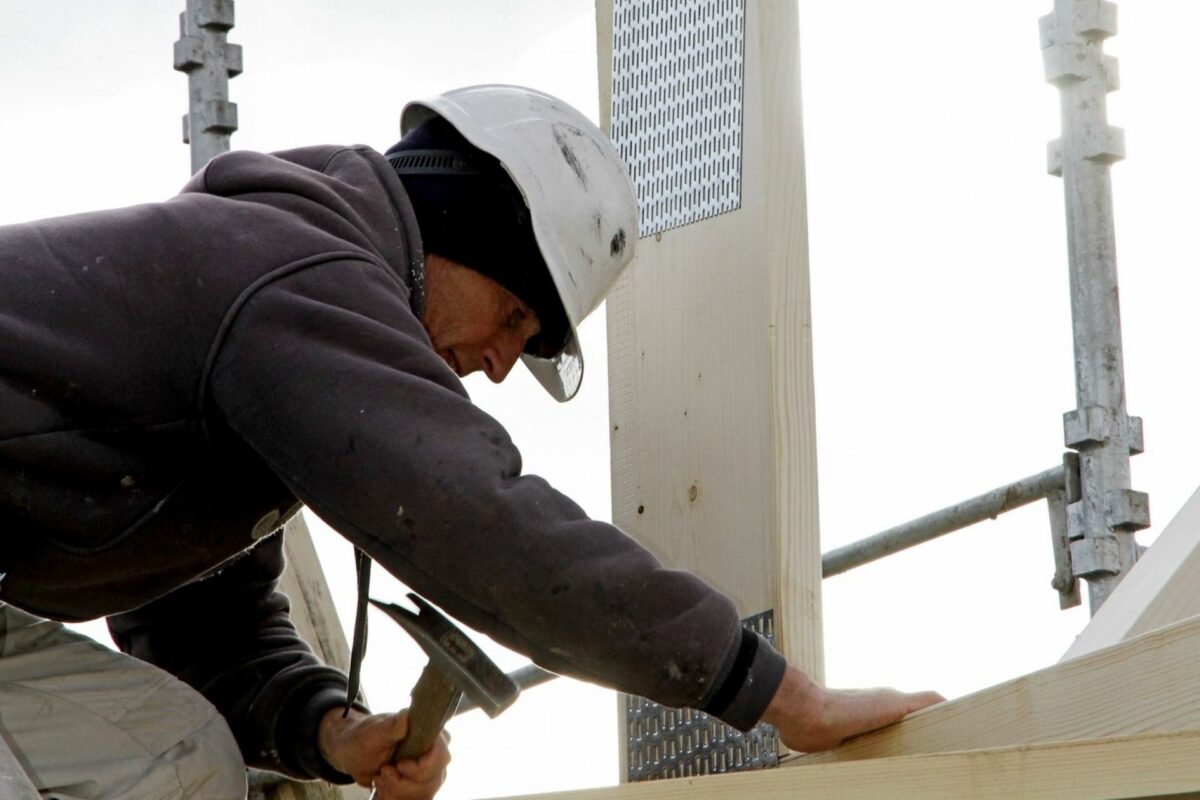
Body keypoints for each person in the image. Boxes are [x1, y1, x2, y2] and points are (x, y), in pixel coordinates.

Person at [0, 85, 941, 799]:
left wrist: (331, 729)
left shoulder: (268, 309)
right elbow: (486, 530)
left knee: (172, 760)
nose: (496, 366)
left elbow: (200, 627)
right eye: (513, 316)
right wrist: (783, 699)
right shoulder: (294, 275)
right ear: (464, 232)